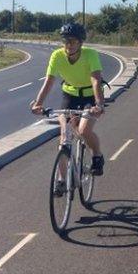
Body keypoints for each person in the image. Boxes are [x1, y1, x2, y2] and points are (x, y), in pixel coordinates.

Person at [30, 22, 107, 177]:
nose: (68, 45)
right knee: (64, 136)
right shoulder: (57, 55)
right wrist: (38, 103)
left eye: (73, 41)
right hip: (69, 94)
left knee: (84, 130)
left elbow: (95, 80)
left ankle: (97, 155)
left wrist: (99, 104)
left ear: (80, 42)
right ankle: (61, 179)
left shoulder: (90, 54)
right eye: (66, 41)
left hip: (90, 95)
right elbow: (49, 81)